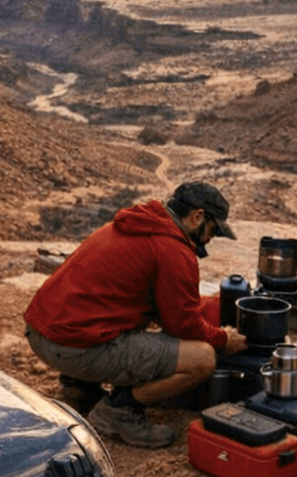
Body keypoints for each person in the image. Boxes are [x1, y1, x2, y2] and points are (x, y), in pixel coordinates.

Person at [25, 181, 249, 448]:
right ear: (197, 217)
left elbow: (162, 303)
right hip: (74, 347)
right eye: (213, 229)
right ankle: (118, 411)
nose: (211, 238)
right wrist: (223, 338)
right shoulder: (173, 250)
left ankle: (80, 389)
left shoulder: (135, 225)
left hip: (42, 333)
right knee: (202, 358)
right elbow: (183, 325)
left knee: (120, 318)